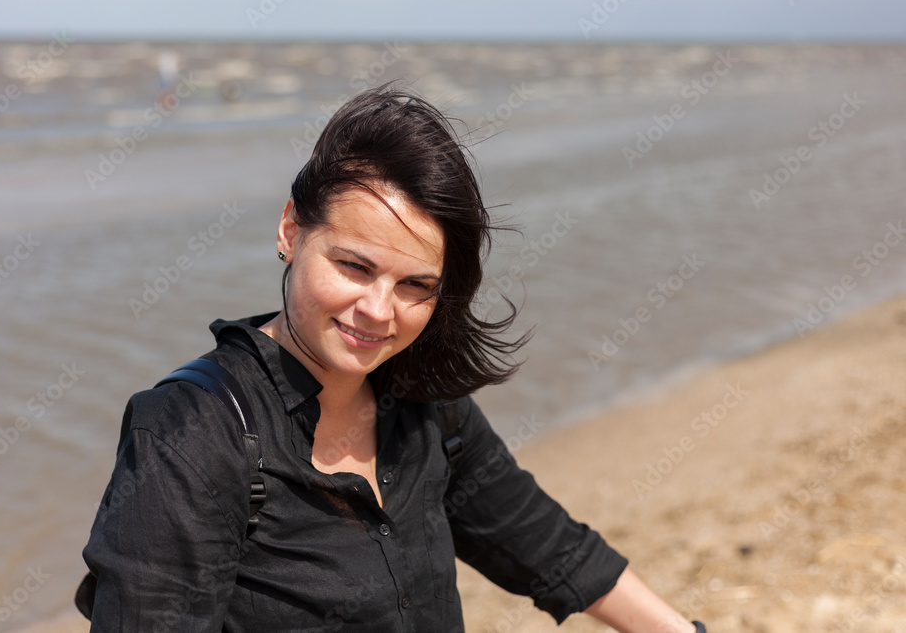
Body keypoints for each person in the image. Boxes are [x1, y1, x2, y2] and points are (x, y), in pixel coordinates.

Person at [79, 82, 707, 632]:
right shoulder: (192, 435)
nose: (380, 311)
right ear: (291, 231)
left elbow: (548, 548)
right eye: (354, 266)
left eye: (416, 287)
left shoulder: (424, 405)